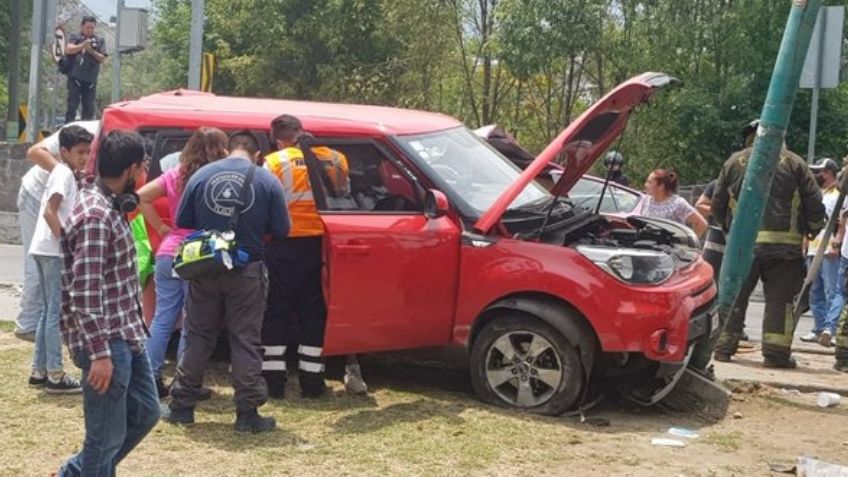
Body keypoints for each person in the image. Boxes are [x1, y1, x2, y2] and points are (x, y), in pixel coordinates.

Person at [163, 130, 289, 433]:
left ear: (229, 150)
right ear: (256, 154)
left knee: (197, 336)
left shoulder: (202, 175)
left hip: (206, 267)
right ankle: (247, 414)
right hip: (247, 270)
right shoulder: (267, 180)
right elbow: (282, 229)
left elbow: (183, 219)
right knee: (245, 339)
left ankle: (182, 406)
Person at [57, 130, 159, 476]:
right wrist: (100, 354)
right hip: (105, 341)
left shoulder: (112, 206)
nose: (145, 175)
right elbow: (85, 293)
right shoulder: (96, 216)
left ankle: (74, 472)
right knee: (105, 439)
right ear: (132, 169)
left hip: (126, 333)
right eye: (144, 168)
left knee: (146, 411)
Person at [260, 114, 366, 399]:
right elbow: (344, 194)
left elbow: (265, 203)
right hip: (321, 245)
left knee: (276, 312)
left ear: (278, 139)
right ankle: (313, 382)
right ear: (303, 131)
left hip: (283, 245)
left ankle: (273, 383)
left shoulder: (274, 162)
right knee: (314, 313)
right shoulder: (335, 158)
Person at [711, 121, 825, 368]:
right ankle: (775, 355)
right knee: (779, 301)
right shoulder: (795, 163)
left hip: (743, 246)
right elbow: (814, 202)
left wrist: (731, 231)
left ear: (749, 138)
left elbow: (718, 204)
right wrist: (813, 229)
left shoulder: (733, 162)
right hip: (784, 249)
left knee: (735, 296)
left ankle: (722, 348)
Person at [138, 127, 229, 397]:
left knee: (162, 318)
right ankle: (185, 382)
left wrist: (161, 227)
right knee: (192, 321)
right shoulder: (215, 177)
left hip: (168, 253)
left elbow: (141, 196)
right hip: (199, 255)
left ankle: (149, 377)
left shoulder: (176, 174)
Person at [15, 121, 100, 341]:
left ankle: (42, 330)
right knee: (36, 266)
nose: (85, 156)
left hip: (57, 205)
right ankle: (27, 325)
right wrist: (64, 176)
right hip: (36, 195)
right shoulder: (82, 131)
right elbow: (34, 151)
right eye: (81, 152)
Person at [27, 125, 93, 394]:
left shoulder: (65, 173)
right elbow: (49, 211)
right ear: (63, 152)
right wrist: (67, 242)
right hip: (53, 250)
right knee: (54, 313)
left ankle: (39, 370)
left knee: (47, 311)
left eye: (88, 152)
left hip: (44, 248)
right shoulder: (64, 173)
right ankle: (55, 373)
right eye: (80, 152)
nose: (85, 157)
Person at [800, 158, 845, 347]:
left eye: (820, 172)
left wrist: (836, 243)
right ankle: (818, 329)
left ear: (829, 173)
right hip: (813, 247)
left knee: (831, 290)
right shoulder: (817, 194)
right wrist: (805, 242)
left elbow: (841, 221)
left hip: (828, 250)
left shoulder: (839, 195)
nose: (816, 175)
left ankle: (830, 329)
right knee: (814, 290)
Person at [636, 169, 708, 237]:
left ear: (661, 186)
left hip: (670, 248)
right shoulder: (646, 201)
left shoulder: (677, 203)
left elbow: (701, 224)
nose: (646, 185)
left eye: (649, 182)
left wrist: (690, 243)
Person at [63, 16, 107, 122]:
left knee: (88, 108)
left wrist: (91, 51)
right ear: (82, 27)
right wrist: (82, 46)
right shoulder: (75, 37)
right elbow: (68, 49)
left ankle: (86, 133)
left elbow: (102, 58)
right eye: (88, 27)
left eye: (92, 28)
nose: (90, 30)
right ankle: (68, 128)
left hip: (90, 81)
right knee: (72, 105)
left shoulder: (99, 40)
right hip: (75, 79)